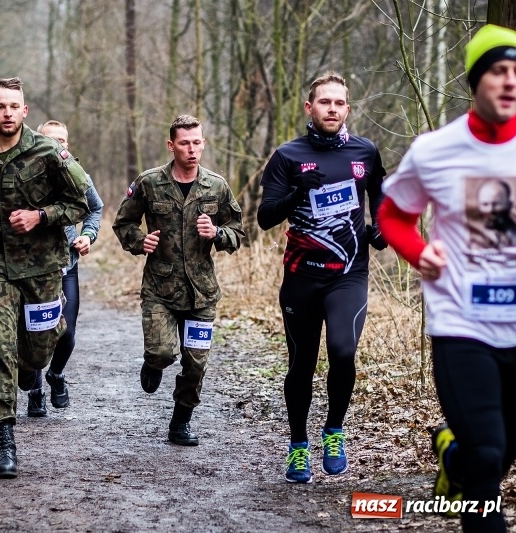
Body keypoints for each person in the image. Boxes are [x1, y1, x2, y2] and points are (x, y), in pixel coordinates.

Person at [378, 24, 516, 532]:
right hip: (462, 323)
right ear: (476, 80)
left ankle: (453, 459)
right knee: (488, 456)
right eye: (498, 71)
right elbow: (393, 215)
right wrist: (420, 252)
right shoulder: (434, 150)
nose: (510, 81)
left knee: (498, 454)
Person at [0, 77, 90, 479]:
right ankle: (4, 443)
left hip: (42, 269)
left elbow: (80, 203)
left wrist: (40, 216)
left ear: (25, 112)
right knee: (0, 348)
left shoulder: (50, 153)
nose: (7, 113)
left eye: (14, 106)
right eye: (0, 107)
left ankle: (33, 365)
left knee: (37, 353)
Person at [257, 72, 387, 484]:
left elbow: (381, 195)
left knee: (343, 351)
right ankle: (298, 445)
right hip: (301, 277)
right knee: (302, 364)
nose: (332, 108)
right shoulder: (288, 155)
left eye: (339, 103)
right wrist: (297, 192)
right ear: (309, 107)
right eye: (325, 102)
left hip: (349, 274)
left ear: (347, 108)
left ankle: (334, 431)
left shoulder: (365, 151)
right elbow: (265, 217)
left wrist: (382, 228)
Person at [112, 114, 244, 446]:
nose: (192, 149)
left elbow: (237, 231)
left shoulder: (216, 186)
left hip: (201, 292)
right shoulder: (149, 183)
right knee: (162, 352)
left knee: (196, 363)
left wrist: (217, 233)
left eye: (197, 142)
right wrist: (140, 241)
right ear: (171, 145)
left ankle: (180, 422)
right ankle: (153, 363)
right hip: (160, 287)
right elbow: (123, 222)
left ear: (204, 144)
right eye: (184, 143)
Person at [21, 120, 104, 415]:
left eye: (63, 140)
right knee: (35, 333)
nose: (58, 144)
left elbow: (95, 207)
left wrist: (87, 235)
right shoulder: (26, 176)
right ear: (38, 142)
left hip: (66, 267)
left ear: (68, 144)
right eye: (51, 139)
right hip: (32, 270)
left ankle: (56, 375)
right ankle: (35, 392)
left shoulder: (78, 175)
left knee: (66, 333)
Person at [470, 178, 516, 250]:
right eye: (485, 204)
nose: (490, 210)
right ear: (478, 206)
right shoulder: (473, 237)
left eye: (496, 204)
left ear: (509, 205)